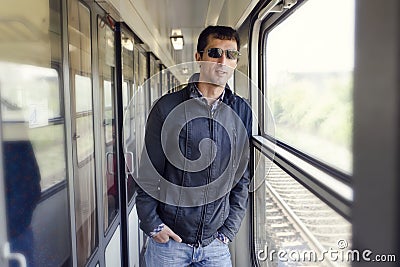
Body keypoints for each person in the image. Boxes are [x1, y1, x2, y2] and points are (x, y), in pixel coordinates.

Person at [135, 25, 252, 267]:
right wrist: (151, 223)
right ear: (199, 57)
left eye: (231, 55)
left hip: (215, 245)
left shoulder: (242, 111)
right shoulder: (167, 108)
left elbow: (242, 177)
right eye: (215, 52)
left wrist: (229, 230)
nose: (223, 61)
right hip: (169, 244)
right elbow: (148, 172)